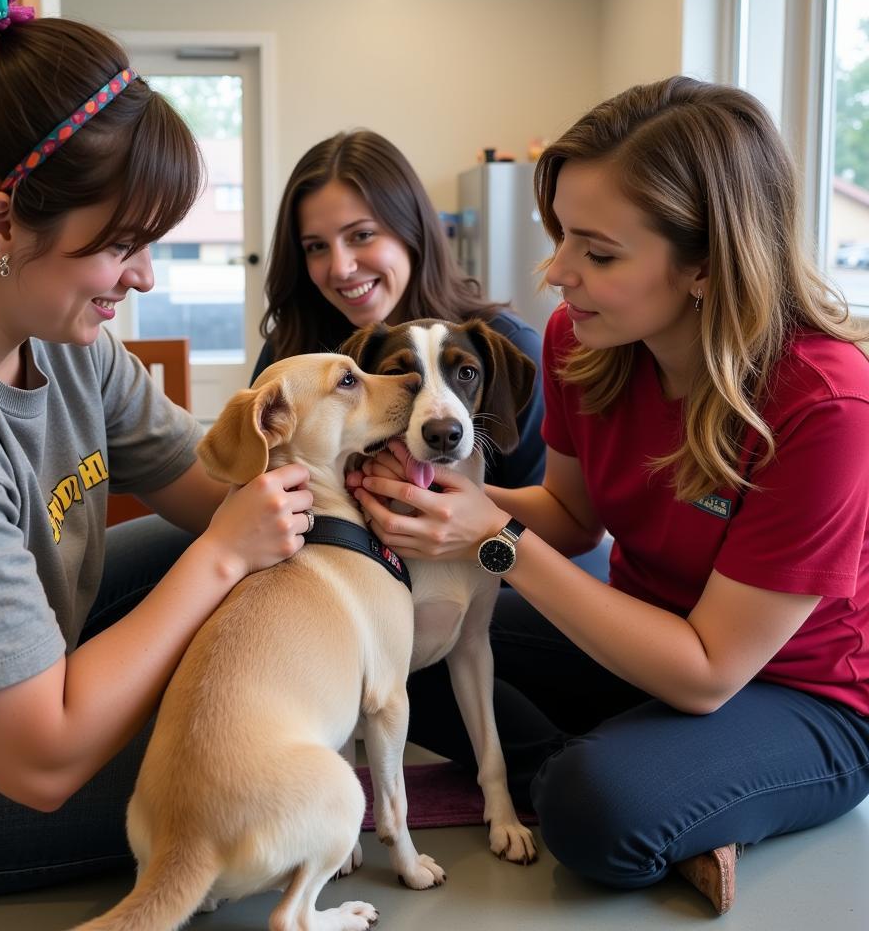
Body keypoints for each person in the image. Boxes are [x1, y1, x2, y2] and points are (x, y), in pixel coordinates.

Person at [0, 0, 315, 903]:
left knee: (273, 592)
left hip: (21, 678)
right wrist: (220, 561)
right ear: (1, 225)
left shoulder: (58, 333)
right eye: (123, 244)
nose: (142, 277)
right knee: (269, 728)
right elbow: (43, 759)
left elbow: (214, 486)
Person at [349, 76, 869, 915]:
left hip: (795, 695)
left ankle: (638, 782)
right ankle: (656, 779)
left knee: (598, 814)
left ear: (704, 263)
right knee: (403, 648)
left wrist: (489, 541)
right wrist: (439, 501)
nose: (556, 274)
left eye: (597, 252)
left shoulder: (826, 404)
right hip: (637, 644)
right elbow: (572, 517)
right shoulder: (584, 340)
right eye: (560, 236)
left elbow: (707, 674)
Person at [253, 128, 547, 491]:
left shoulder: (506, 344)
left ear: (412, 231)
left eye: (361, 235)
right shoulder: (295, 350)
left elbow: (563, 529)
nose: (341, 267)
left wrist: (469, 514)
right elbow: (256, 478)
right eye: (316, 246)